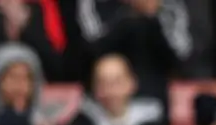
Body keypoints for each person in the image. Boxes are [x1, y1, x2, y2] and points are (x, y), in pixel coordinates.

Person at [65, 0, 193, 107]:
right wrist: (128, 13)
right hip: (102, 102)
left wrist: (153, 16)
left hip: (153, 100)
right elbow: (90, 51)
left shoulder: (170, 6)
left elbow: (181, 58)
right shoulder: (93, 3)